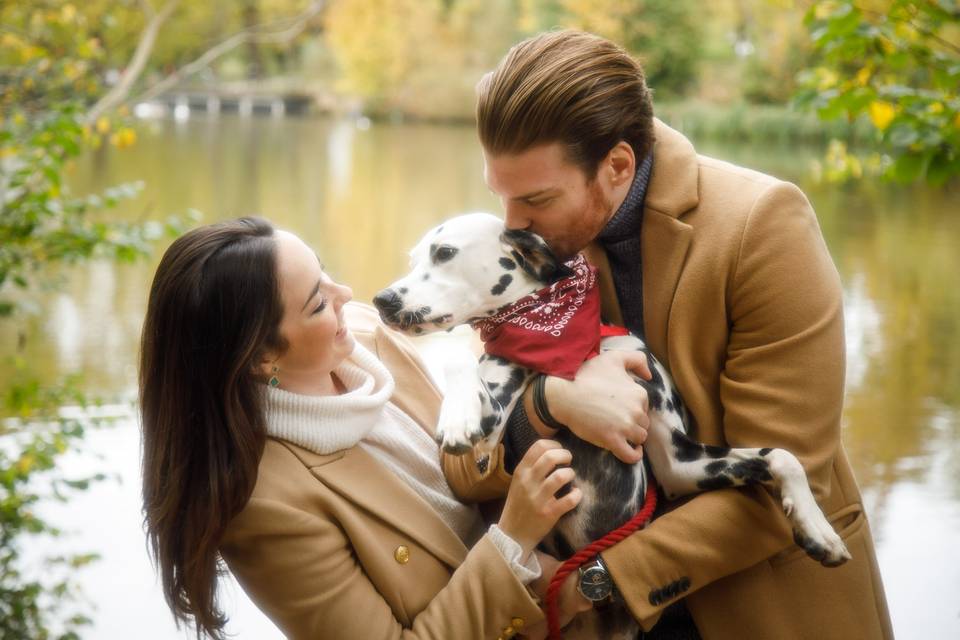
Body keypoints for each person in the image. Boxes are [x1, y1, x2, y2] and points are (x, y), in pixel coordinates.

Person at [443, 30, 894, 639]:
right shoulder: (528, 253)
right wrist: (548, 406)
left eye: (536, 200)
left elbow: (787, 484)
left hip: (768, 609)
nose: (512, 227)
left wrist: (594, 583)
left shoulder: (765, 228)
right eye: (502, 198)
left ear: (617, 165)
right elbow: (467, 467)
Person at [139, 217, 592, 639]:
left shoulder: (366, 335)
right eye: (318, 303)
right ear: (261, 358)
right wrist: (514, 542)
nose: (347, 293)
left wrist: (549, 402)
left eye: (326, 273)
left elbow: (470, 458)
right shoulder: (264, 506)